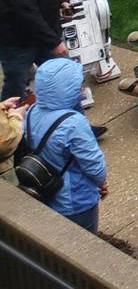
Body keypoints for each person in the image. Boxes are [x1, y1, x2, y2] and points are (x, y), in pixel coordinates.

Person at [23, 57, 108, 232]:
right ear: (67, 89)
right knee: (86, 246)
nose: (82, 87)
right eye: (78, 84)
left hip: (46, 192)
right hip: (76, 201)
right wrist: (101, 182)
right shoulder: (73, 123)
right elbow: (94, 165)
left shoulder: (32, 110)